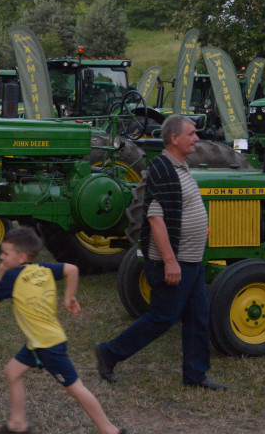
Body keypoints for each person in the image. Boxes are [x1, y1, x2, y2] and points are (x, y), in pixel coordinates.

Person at [95, 114, 226, 391]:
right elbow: (155, 218)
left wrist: (199, 227)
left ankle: (195, 373)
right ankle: (108, 353)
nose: (196, 138)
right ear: (174, 138)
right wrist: (170, 261)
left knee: (197, 317)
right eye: (191, 134)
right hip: (175, 261)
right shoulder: (162, 169)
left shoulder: (181, 167)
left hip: (191, 259)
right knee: (162, 318)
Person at [0, 228, 126, 434]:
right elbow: (72, 269)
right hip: (42, 341)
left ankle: (110, 430)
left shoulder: (11, 277)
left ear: (21, 258)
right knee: (12, 372)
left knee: (77, 388)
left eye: (6, 254)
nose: (2, 257)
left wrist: (1, 274)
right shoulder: (43, 269)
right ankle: (17, 423)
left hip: (46, 346)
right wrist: (68, 297)